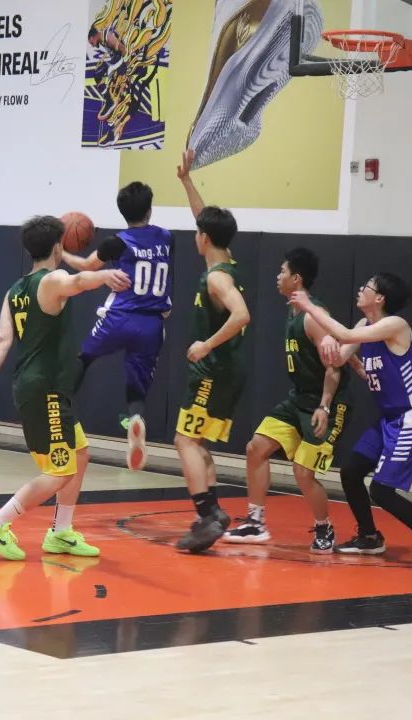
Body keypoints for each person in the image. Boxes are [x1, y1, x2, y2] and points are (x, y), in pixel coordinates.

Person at [0, 215, 130, 561]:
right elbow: (79, 280)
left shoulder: (14, 290)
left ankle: (61, 532)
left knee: (79, 454)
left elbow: (3, 340)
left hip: (44, 387)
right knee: (59, 471)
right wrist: (105, 276)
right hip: (45, 391)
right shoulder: (52, 280)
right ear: (58, 247)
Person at [289, 273, 412, 570]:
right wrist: (328, 343)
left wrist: (310, 308)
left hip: (411, 415)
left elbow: (346, 336)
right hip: (389, 417)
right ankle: (369, 537)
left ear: (379, 298)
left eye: (366, 287)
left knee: (381, 490)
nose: (360, 289)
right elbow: (338, 357)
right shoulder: (363, 325)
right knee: (351, 472)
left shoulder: (395, 325)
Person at [224, 248, 350, 552]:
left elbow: (334, 368)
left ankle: (325, 528)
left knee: (303, 473)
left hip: (326, 405)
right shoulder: (293, 310)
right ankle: (255, 522)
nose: (277, 277)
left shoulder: (313, 317)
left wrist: (324, 406)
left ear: (297, 279)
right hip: (298, 399)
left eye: (282, 271)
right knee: (256, 448)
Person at [62, 182, 174, 471]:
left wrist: (61, 252)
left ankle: (61, 407)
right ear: (150, 209)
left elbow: (86, 266)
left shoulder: (117, 242)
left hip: (121, 316)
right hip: (152, 323)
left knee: (84, 357)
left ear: (122, 212)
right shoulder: (167, 238)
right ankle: (135, 418)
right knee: (136, 385)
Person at [173, 149, 251, 553]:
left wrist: (206, 344)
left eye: (198, 232)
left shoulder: (218, 279)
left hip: (213, 370)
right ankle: (214, 512)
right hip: (228, 370)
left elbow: (242, 315)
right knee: (198, 441)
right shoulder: (226, 259)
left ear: (203, 239)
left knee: (184, 440)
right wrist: (187, 181)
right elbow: (203, 219)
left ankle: (207, 515)